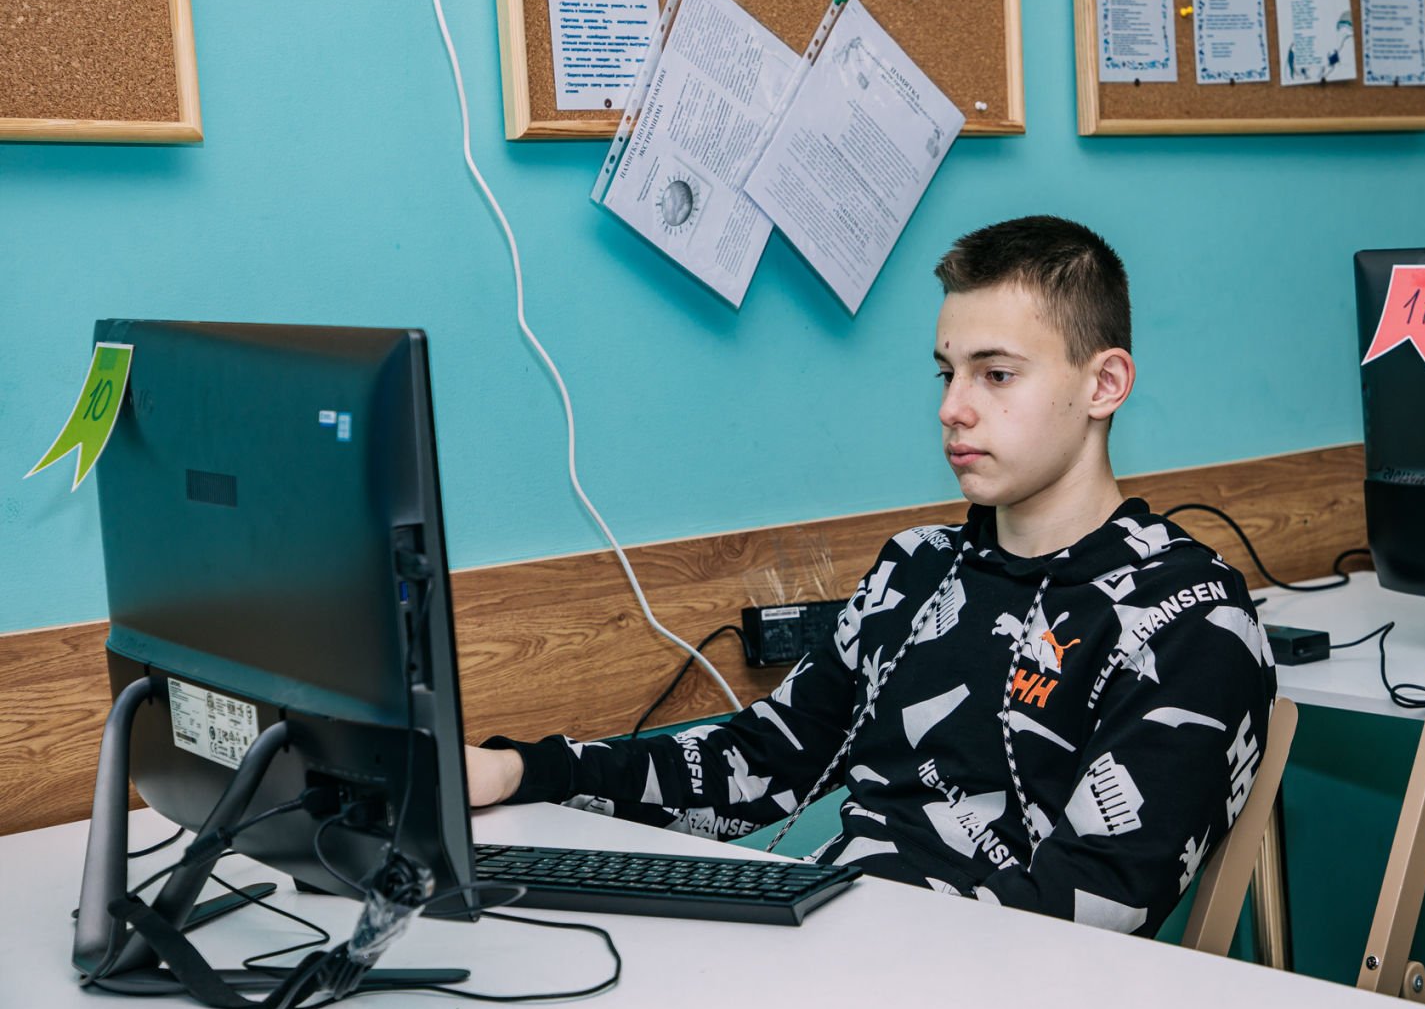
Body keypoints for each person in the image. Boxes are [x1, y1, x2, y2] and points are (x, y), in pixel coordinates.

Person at [464, 216, 1278, 935]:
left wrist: (846, 955)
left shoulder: (1188, 617)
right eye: (947, 373)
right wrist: (526, 771)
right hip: (835, 943)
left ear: (1104, 384)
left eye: (996, 374)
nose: (952, 408)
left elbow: (1091, 906)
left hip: (971, 991)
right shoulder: (918, 568)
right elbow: (759, 764)